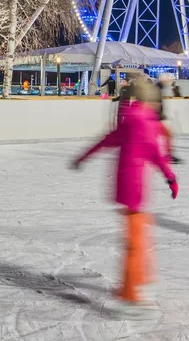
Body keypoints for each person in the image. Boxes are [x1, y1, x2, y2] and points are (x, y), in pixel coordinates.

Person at [73, 84, 176, 313]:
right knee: (136, 244)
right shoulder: (145, 122)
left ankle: (135, 283)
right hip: (135, 190)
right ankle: (130, 296)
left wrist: (83, 157)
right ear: (151, 101)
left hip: (124, 186)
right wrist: (171, 178)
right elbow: (156, 155)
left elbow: (106, 141)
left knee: (139, 237)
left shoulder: (130, 119)